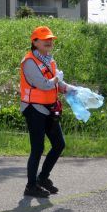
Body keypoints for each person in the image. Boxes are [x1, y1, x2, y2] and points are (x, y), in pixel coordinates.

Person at [20, 26, 75, 198]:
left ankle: (42, 178)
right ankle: (31, 186)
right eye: (45, 39)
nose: (49, 41)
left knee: (59, 144)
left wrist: (71, 89)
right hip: (34, 109)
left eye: (50, 39)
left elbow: (56, 83)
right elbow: (44, 84)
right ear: (34, 42)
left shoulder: (49, 60)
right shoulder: (28, 62)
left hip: (50, 108)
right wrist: (57, 78)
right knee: (38, 148)